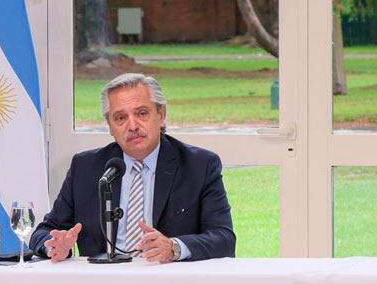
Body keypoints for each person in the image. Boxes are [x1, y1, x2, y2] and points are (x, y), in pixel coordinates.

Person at [29, 73, 235, 263]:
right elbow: (43, 232)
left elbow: (223, 238)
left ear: (161, 115)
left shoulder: (199, 165)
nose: (133, 125)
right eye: (120, 118)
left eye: (142, 113)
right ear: (109, 126)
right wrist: (54, 245)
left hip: (166, 277)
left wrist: (174, 248)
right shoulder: (86, 168)